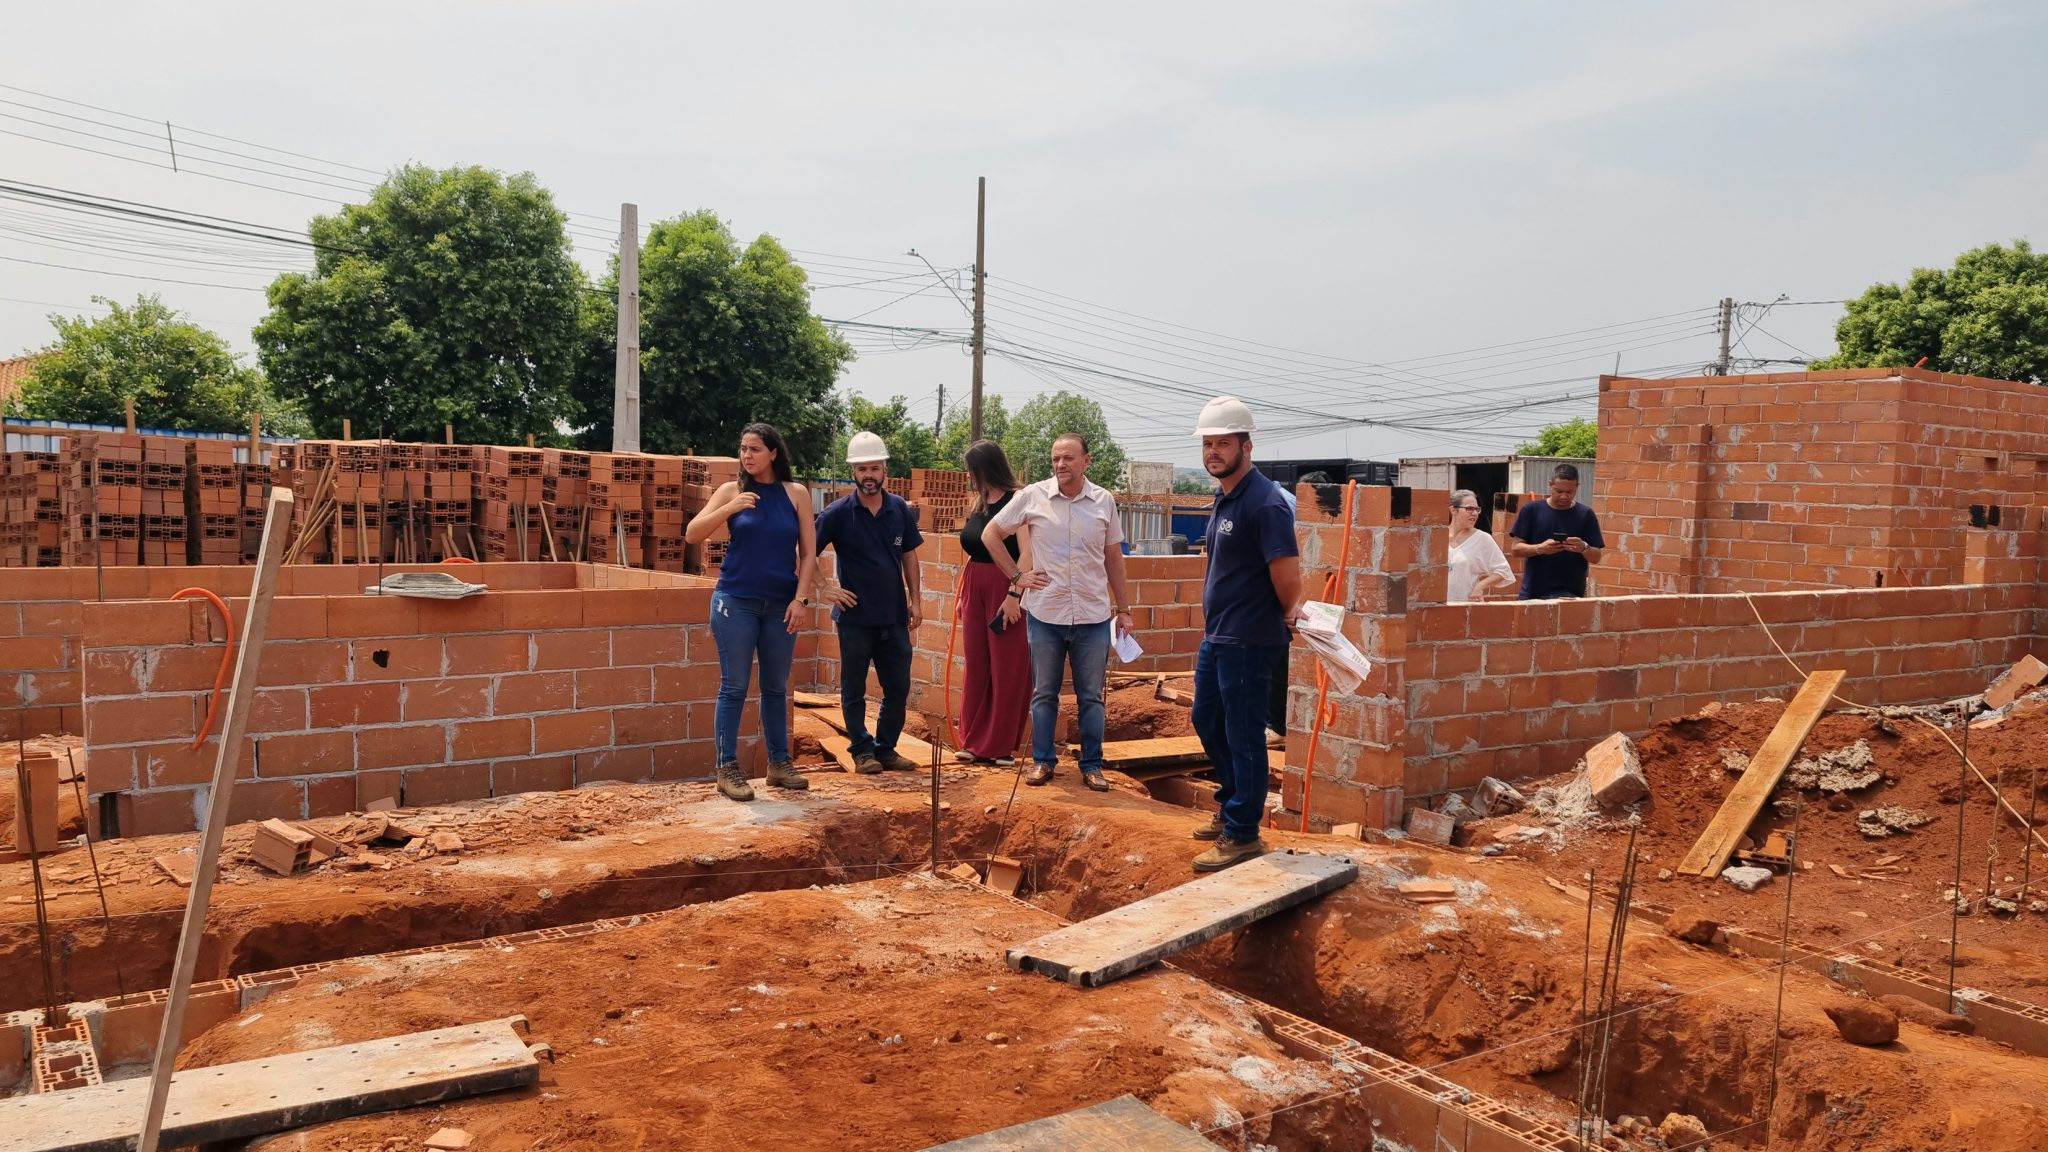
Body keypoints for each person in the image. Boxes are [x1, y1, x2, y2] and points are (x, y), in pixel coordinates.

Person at [1186, 398, 1301, 872]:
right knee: (1206, 720)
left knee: (1244, 734)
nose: (1213, 452)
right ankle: (1232, 803)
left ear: (1246, 446)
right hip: (1219, 636)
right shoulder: (1225, 497)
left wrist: (1288, 611)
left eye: (1223, 443)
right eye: (1208, 444)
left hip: (1250, 638)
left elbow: (1286, 571)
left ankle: (1242, 832)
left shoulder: (1265, 502)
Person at [982, 433, 1131, 792]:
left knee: (1091, 696)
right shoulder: (1033, 496)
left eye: (1068, 458)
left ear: (1086, 461)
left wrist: (1124, 610)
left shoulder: (1103, 501)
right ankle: (1043, 762)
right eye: (1055, 459)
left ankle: (1091, 765)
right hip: (1046, 615)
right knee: (1044, 693)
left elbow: (1114, 558)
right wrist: (1017, 576)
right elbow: (991, 534)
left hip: (1093, 617)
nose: (1061, 464)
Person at [686, 422, 817, 801]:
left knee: (776, 686)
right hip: (735, 602)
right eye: (743, 449)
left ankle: (779, 763)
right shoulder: (732, 491)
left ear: (773, 453)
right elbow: (693, 534)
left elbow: (809, 553)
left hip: (781, 605)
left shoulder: (796, 494)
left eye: (755, 449)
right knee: (735, 685)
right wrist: (730, 507)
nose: (747, 455)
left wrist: (801, 600)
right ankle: (727, 768)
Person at [814, 431, 924, 775]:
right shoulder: (837, 513)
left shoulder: (899, 510)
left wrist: (916, 600)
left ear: (884, 470)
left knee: (898, 687)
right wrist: (824, 588)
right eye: (862, 469)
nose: (869, 475)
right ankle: (862, 750)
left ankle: (886, 749)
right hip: (855, 618)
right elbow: (804, 551)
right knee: (854, 687)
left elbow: (909, 556)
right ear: (853, 472)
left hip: (894, 616)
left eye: (874, 468)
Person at [954, 439, 1031, 764]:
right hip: (976, 587)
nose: (969, 476)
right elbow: (974, 549)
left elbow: (1028, 553)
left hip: (1006, 587)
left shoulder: (1018, 500)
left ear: (986, 468)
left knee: (1006, 667)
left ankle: (1000, 746)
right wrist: (964, 595)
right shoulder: (979, 503)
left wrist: (1015, 595)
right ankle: (973, 742)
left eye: (972, 470)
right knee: (977, 665)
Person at [1507, 464, 1605, 599]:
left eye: (1569, 492)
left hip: (1570, 594)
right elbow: (1515, 549)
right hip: (1533, 594)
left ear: (1577, 487)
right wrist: (1540, 548)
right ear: (1550, 484)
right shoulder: (1531, 510)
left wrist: (1584, 547)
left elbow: (1596, 557)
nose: (1564, 496)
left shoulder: (1585, 514)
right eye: (1559, 491)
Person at [1447, 488, 1516, 602]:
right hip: (1437, 606)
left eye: (1477, 509)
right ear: (1453, 510)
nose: (1475, 513)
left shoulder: (1482, 539)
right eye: (1469, 509)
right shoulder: (1438, 536)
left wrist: (1481, 586)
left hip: (1467, 605)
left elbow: (1503, 571)